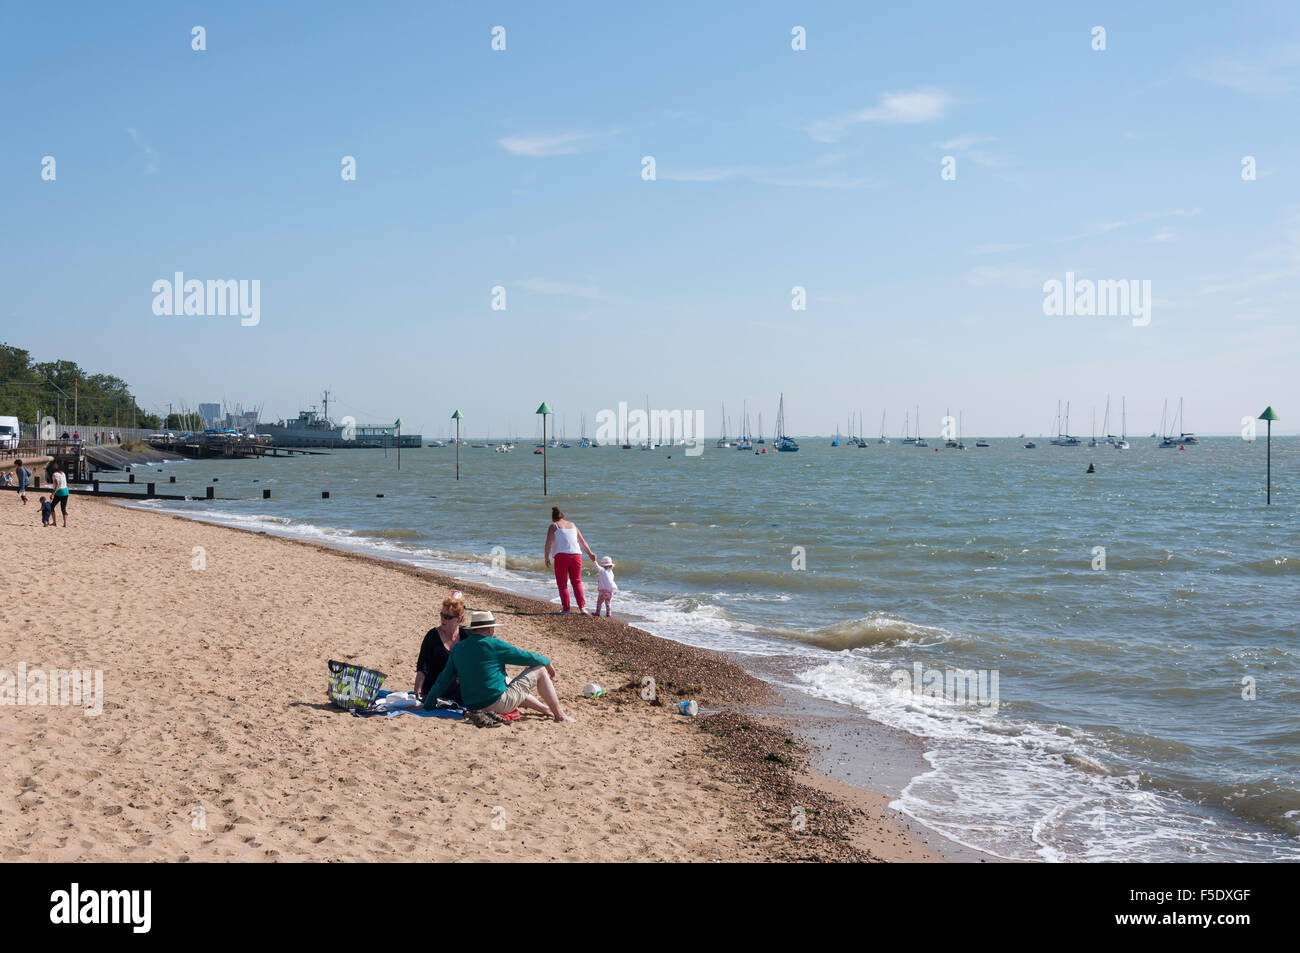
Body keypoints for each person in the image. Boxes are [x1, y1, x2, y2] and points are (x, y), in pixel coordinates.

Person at [421, 610, 574, 722]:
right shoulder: (494, 644)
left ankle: (546, 709)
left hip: (472, 705)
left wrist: (428, 705)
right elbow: (526, 657)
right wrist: (547, 662)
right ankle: (560, 716)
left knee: (510, 685)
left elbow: (442, 680)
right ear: (490, 629)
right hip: (496, 704)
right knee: (539, 670)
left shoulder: (458, 648)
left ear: (473, 630)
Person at [414, 592, 466, 704]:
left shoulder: (465, 635)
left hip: (457, 690)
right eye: (442, 615)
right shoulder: (432, 636)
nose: (443, 619)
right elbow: (422, 667)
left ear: (459, 619)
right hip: (434, 688)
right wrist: (417, 693)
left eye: (448, 617)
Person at [544, 507, 597, 614]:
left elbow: (548, 543)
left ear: (554, 519)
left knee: (562, 584)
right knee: (577, 582)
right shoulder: (573, 525)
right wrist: (590, 554)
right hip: (576, 556)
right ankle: (582, 608)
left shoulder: (553, 526)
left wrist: (546, 557)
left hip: (561, 557)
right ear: (563, 517)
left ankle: (566, 609)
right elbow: (582, 542)